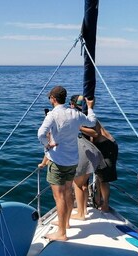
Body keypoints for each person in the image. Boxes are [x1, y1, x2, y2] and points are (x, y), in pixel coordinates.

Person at [37, 86, 96, 241]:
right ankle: (66, 224)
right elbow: (92, 122)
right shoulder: (75, 113)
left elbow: (41, 134)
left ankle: (62, 233)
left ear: (53, 99)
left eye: (49, 97)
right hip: (72, 161)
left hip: (57, 162)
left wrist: (47, 145)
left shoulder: (52, 115)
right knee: (68, 192)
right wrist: (89, 108)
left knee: (60, 197)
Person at [69, 95, 105, 220]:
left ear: (71, 104)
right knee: (83, 185)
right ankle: (83, 210)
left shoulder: (74, 117)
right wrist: (90, 108)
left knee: (77, 185)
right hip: (92, 154)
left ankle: (80, 214)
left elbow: (95, 133)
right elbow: (94, 130)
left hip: (83, 154)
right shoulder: (84, 117)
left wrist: (78, 128)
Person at [91, 121, 118, 212]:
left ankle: (105, 204)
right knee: (98, 174)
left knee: (104, 178)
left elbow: (95, 134)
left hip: (107, 147)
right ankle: (98, 199)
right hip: (100, 145)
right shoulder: (85, 116)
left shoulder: (88, 118)